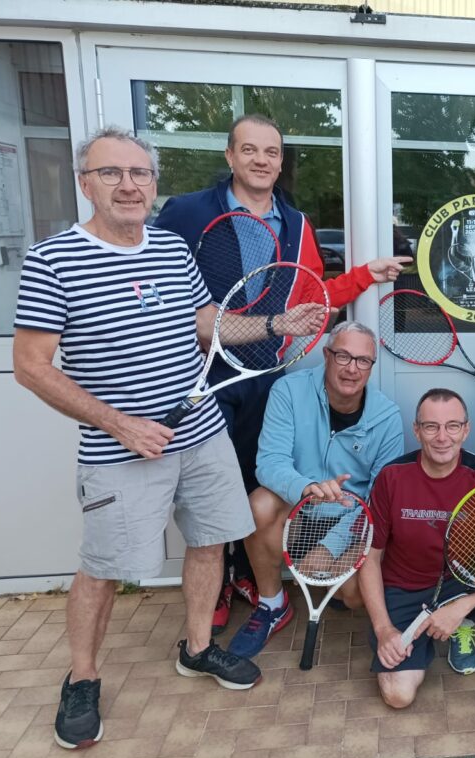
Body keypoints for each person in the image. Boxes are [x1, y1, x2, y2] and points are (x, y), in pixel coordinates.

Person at [11, 128, 322, 749]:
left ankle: (199, 648)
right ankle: (83, 676)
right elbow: (32, 365)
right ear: (85, 183)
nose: (128, 185)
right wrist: (118, 423)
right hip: (120, 449)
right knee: (103, 569)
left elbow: (207, 323)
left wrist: (275, 322)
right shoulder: (54, 259)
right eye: (110, 173)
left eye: (139, 173)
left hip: (201, 432)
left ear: (154, 184)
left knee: (209, 543)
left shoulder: (172, 249)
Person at [154, 114, 410, 632]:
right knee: (205, 487)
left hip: (262, 374)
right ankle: (219, 579)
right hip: (201, 372)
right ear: (229, 156)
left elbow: (311, 297)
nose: (261, 160)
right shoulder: (186, 213)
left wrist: (364, 276)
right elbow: (152, 276)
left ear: (280, 162)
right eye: (249, 150)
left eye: (271, 153)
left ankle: (249, 574)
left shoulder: (294, 223)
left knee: (250, 479)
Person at [225, 321, 404, 657]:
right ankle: (271, 603)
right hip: (297, 508)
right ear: (326, 355)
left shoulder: (387, 417)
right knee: (257, 505)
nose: (352, 369)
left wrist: (330, 546)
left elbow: (381, 502)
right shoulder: (288, 391)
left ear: (371, 367)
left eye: (363, 361)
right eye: (343, 357)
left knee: (353, 595)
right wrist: (306, 487)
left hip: (350, 523)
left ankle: (326, 580)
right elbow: (270, 463)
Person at [361, 389, 475, 706]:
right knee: (397, 695)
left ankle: (458, 626)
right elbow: (370, 560)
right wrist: (384, 629)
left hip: (461, 582)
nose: (443, 437)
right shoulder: (391, 477)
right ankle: (424, 629)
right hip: (405, 588)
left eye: (453, 426)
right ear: (417, 430)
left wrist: (460, 608)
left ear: (466, 430)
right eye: (431, 426)